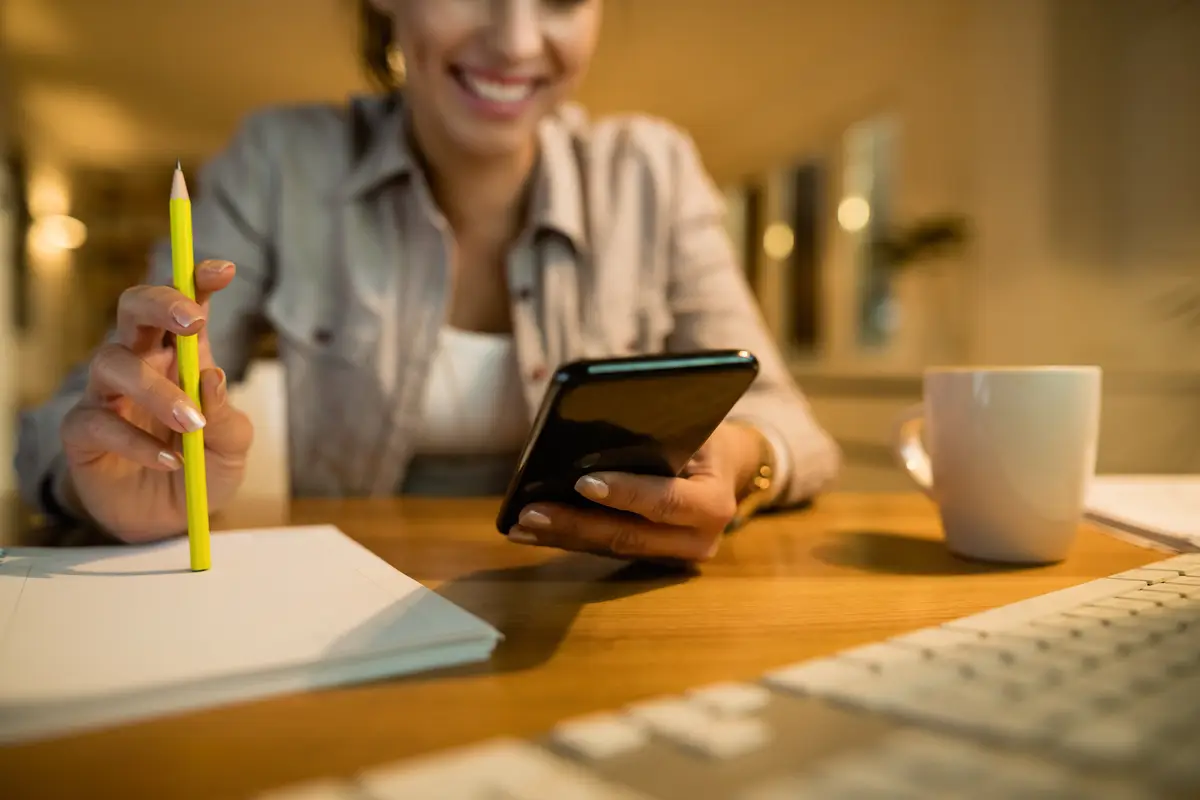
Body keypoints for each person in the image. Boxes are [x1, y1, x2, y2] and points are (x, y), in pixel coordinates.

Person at [14, 0, 840, 563]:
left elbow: (786, 422)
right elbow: (70, 425)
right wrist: (106, 478)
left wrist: (744, 462)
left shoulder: (653, 171)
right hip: (341, 618)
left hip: (580, 612)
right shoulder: (280, 162)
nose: (516, 42)